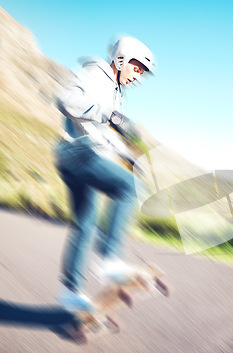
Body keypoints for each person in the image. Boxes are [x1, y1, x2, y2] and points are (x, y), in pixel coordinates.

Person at [55, 37, 154, 312]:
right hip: (79, 153)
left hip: (75, 155)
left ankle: (70, 291)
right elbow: (64, 100)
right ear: (122, 59)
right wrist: (109, 114)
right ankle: (109, 259)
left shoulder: (115, 92)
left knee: (85, 224)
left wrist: (129, 156)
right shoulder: (95, 74)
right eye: (137, 70)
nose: (138, 78)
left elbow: (103, 133)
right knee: (129, 188)